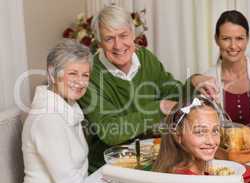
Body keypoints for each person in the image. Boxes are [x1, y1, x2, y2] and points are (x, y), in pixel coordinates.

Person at [78, 5, 198, 172]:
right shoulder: (89, 74)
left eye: (123, 35)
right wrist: (159, 108)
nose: (118, 45)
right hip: (108, 169)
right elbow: (111, 132)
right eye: (109, 39)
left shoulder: (145, 58)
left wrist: (195, 83)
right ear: (99, 42)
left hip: (150, 161)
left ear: (133, 34)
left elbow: (172, 91)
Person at [21, 39, 92, 183]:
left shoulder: (70, 109)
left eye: (85, 75)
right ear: (52, 74)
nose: (80, 82)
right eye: (73, 73)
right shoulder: (48, 118)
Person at [152, 96, 221, 175]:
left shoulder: (200, 172)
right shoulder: (189, 182)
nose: (211, 141)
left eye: (215, 130)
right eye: (200, 132)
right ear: (178, 135)